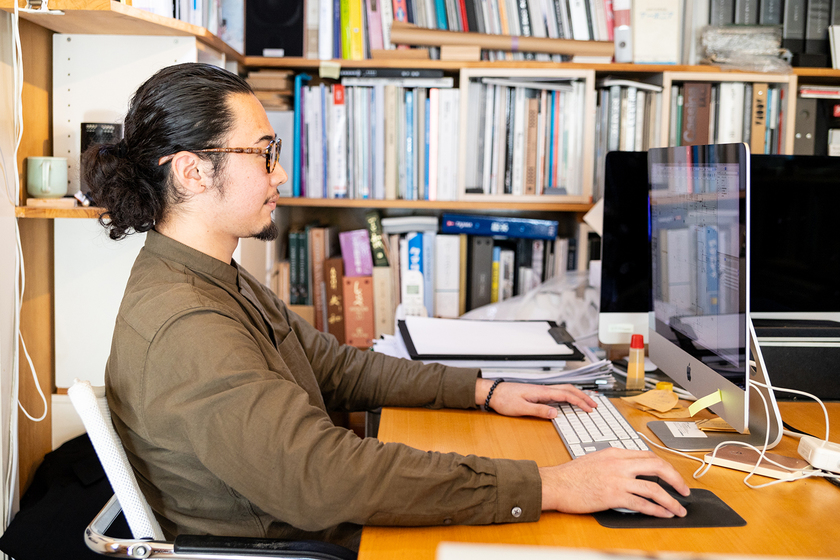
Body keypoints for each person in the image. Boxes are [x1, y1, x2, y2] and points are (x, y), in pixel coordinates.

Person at [83, 63, 688, 552]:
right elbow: (322, 478)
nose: (280, 173)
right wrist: (549, 485)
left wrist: (484, 391)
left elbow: (336, 368)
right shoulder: (187, 321)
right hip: (302, 547)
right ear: (192, 172)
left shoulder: (211, 276)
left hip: (316, 527)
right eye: (263, 153)